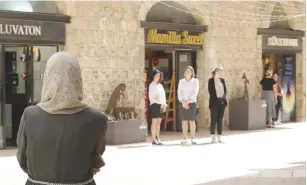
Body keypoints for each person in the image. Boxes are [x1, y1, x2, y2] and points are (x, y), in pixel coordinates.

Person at [16, 52, 108, 185]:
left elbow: (22, 158)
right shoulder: (97, 119)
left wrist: (41, 175)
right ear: (77, 79)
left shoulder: (30, 115)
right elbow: (95, 157)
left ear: (49, 78)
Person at [178, 66, 199, 145]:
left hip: (192, 103)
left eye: (189, 71)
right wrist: (183, 102)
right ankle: (184, 138)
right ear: (184, 73)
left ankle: (193, 139)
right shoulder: (181, 82)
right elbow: (179, 92)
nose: (188, 72)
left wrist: (188, 101)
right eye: (186, 71)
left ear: (192, 73)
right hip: (183, 103)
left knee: (192, 121)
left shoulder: (195, 81)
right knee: (184, 121)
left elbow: (195, 92)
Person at [208, 67, 227, 143]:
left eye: (221, 72)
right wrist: (218, 100)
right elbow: (211, 92)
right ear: (215, 72)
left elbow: (225, 91)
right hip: (214, 103)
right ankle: (213, 137)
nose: (220, 73)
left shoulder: (222, 80)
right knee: (213, 120)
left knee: (220, 120)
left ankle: (219, 136)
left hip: (222, 103)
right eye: (219, 71)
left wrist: (223, 99)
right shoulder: (211, 81)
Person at [148, 69, 167, 145]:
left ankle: (158, 138)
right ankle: (153, 139)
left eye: (159, 76)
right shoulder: (151, 85)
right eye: (156, 76)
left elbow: (163, 96)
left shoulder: (160, 85)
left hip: (161, 105)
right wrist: (162, 101)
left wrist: (164, 104)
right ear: (153, 76)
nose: (157, 77)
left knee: (159, 123)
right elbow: (154, 96)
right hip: (154, 105)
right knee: (154, 123)